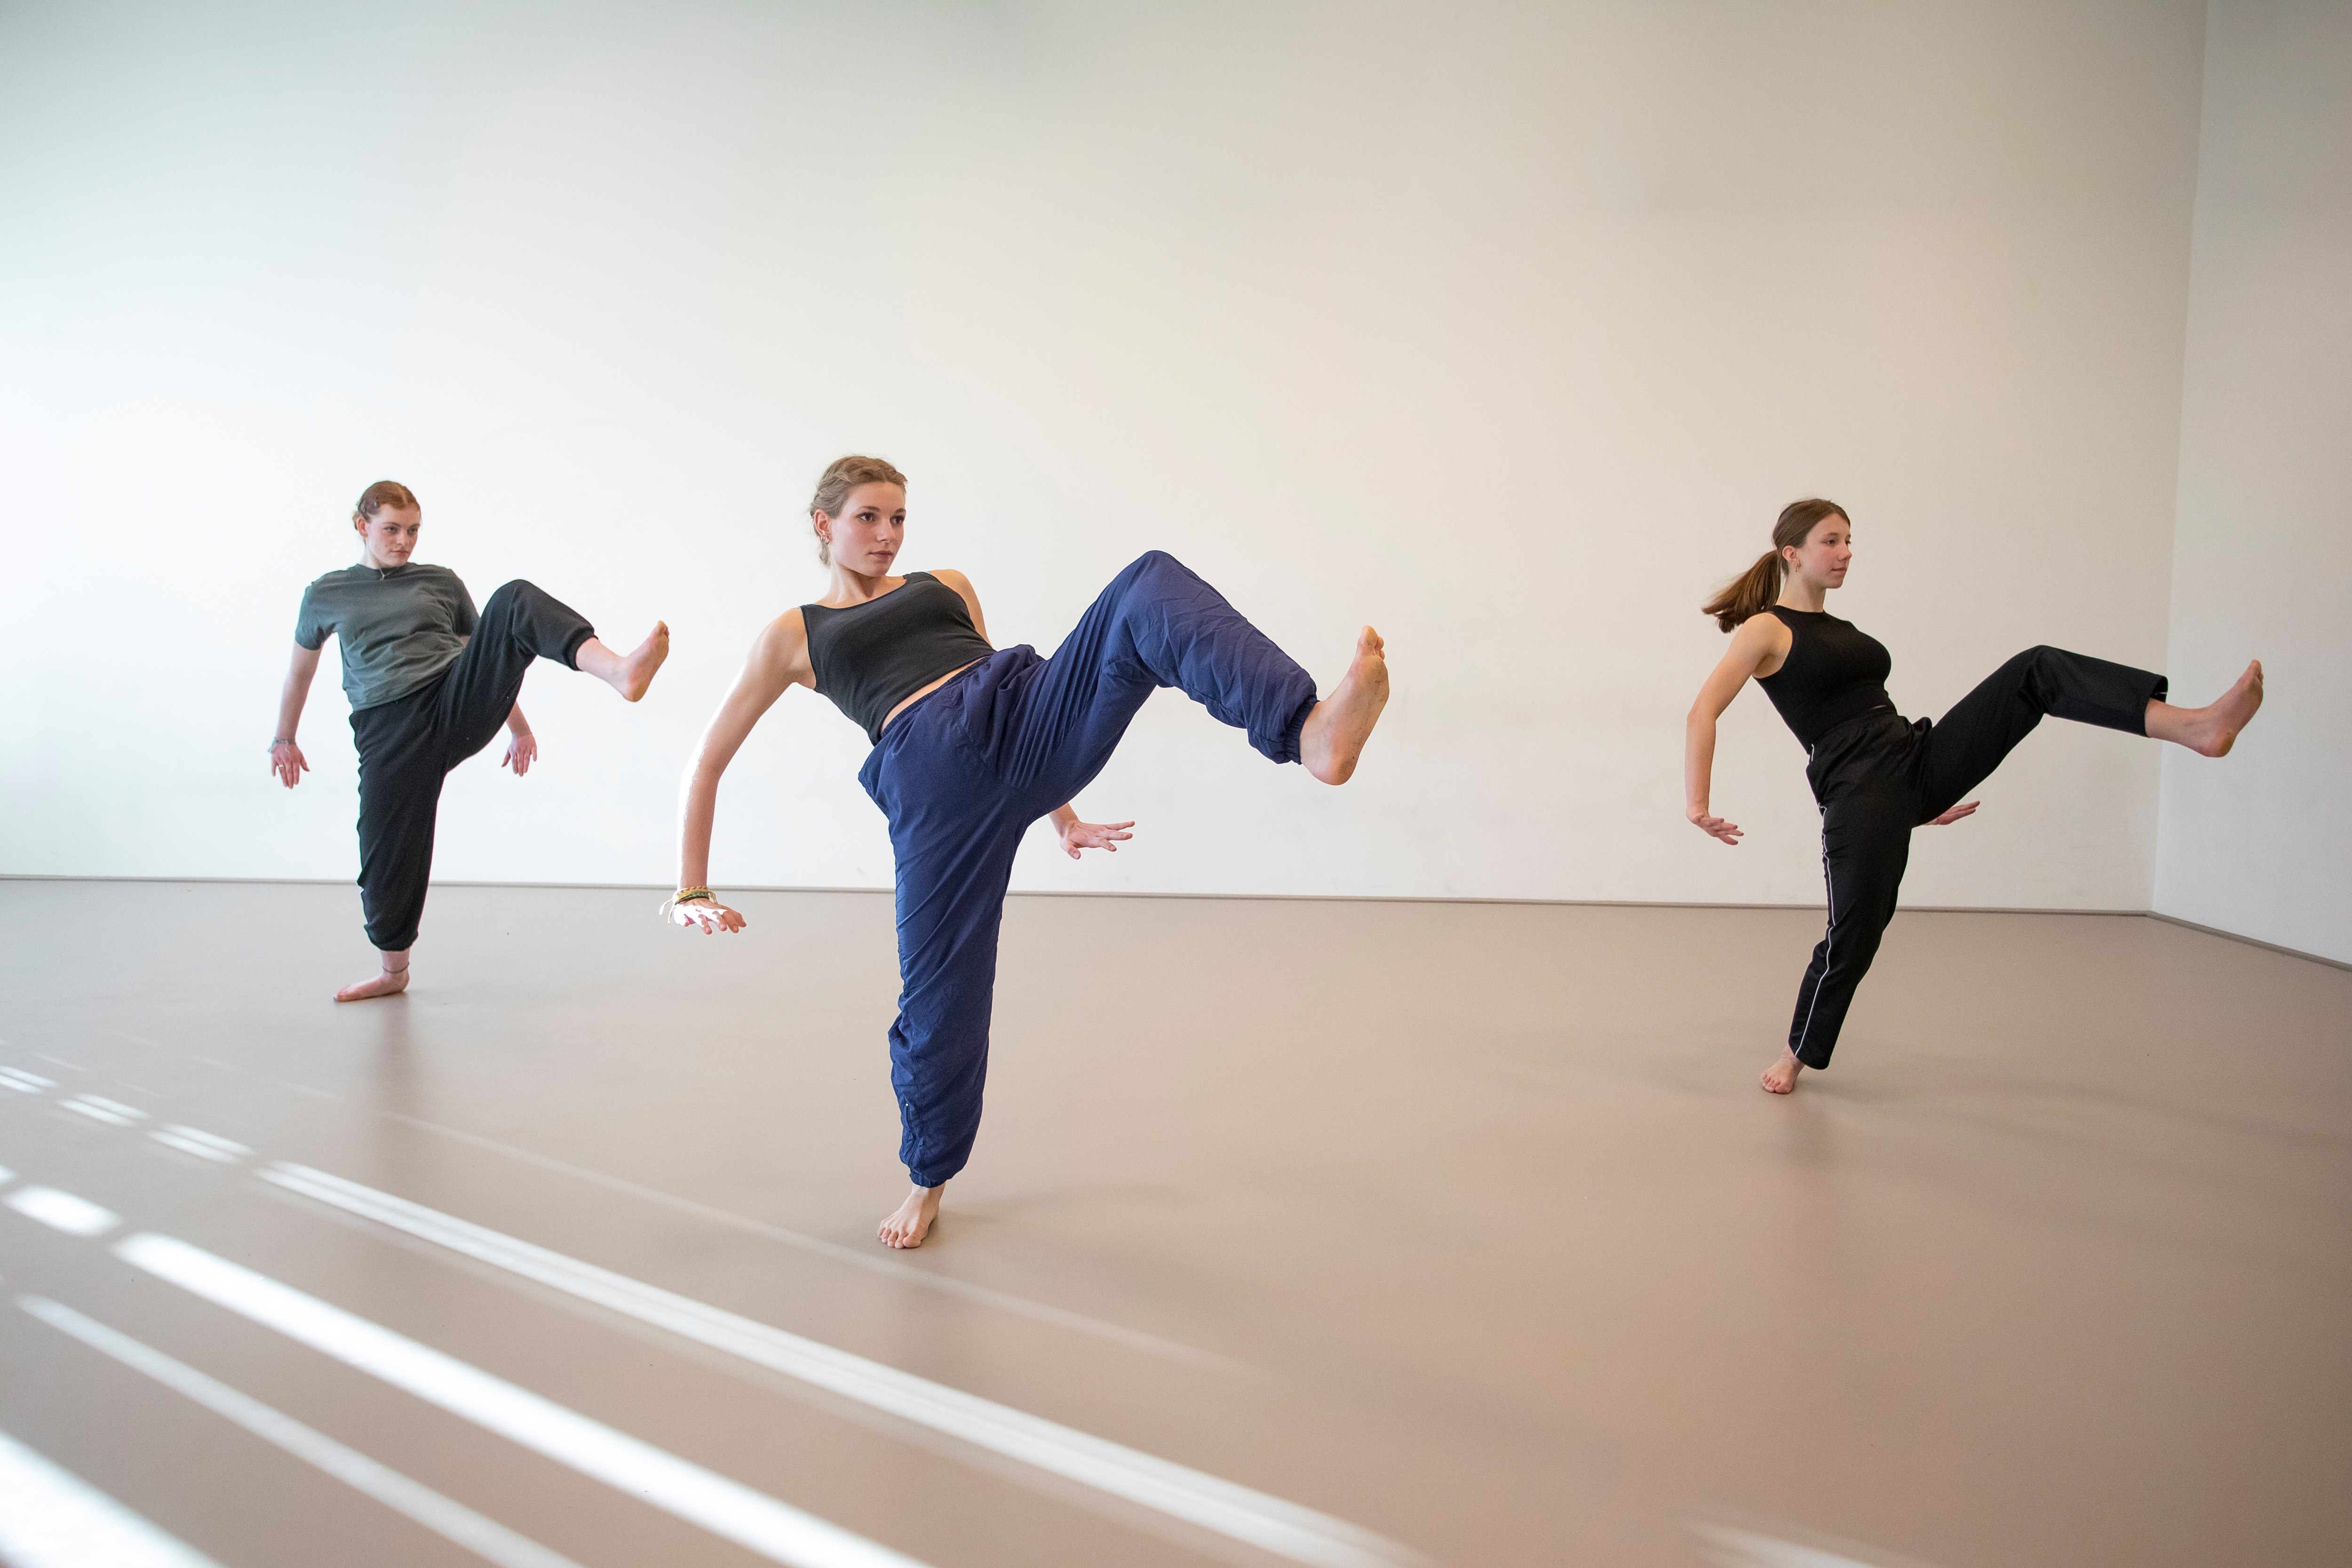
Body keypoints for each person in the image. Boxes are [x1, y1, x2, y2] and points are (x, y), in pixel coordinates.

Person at [669, 455, 1389, 1248]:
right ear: (824, 524)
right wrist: (692, 887)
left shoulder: (943, 585)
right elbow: (706, 760)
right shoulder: (794, 633)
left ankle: (1307, 730)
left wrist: (1061, 813)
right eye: (868, 517)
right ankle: (929, 1178)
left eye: (898, 517)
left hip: (1021, 711)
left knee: (1147, 583)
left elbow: (991, 699)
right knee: (941, 994)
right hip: (933, 784)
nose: (886, 534)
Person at [1685, 498, 2264, 1094]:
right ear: (1792, 553)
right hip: (1860, 791)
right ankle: (1794, 1054)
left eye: (1849, 540)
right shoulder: (1766, 628)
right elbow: (1703, 710)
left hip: (1911, 757)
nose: (1846, 552)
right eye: (1831, 541)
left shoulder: (1844, 632)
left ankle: (2195, 728)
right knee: (1853, 935)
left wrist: (1918, 792)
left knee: (2035, 669)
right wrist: (1696, 804)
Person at [271, 480, 670, 1001]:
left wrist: (519, 728)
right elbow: (300, 672)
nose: (403, 541)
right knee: (386, 856)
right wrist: (285, 737)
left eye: (413, 530)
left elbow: (487, 653)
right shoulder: (326, 593)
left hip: (452, 700)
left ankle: (617, 670)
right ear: (361, 526)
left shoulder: (440, 582)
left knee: (513, 599)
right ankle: (393, 974)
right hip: (388, 728)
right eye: (391, 529)